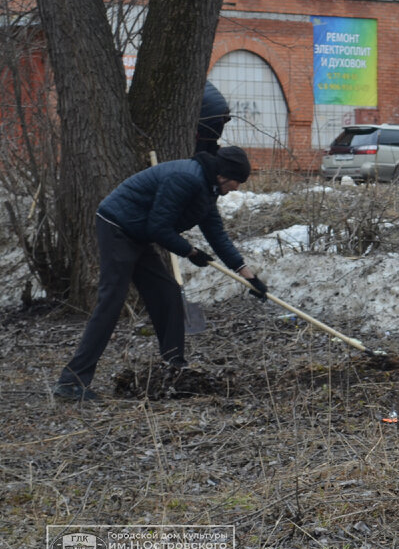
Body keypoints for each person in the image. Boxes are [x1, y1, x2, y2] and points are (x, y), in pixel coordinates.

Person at [53, 146, 268, 401]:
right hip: (117, 226)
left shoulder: (208, 188)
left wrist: (245, 273)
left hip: (137, 233)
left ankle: (174, 368)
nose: (237, 188)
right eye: (237, 181)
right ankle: (71, 383)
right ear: (224, 174)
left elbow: (216, 233)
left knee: (167, 294)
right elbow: (159, 228)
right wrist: (190, 252)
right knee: (111, 302)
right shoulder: (186, 178)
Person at [196, 80, 232, 155]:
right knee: (211, 143)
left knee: (200, 148)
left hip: (209, 113)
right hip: (222, 111)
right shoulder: (197, 77)